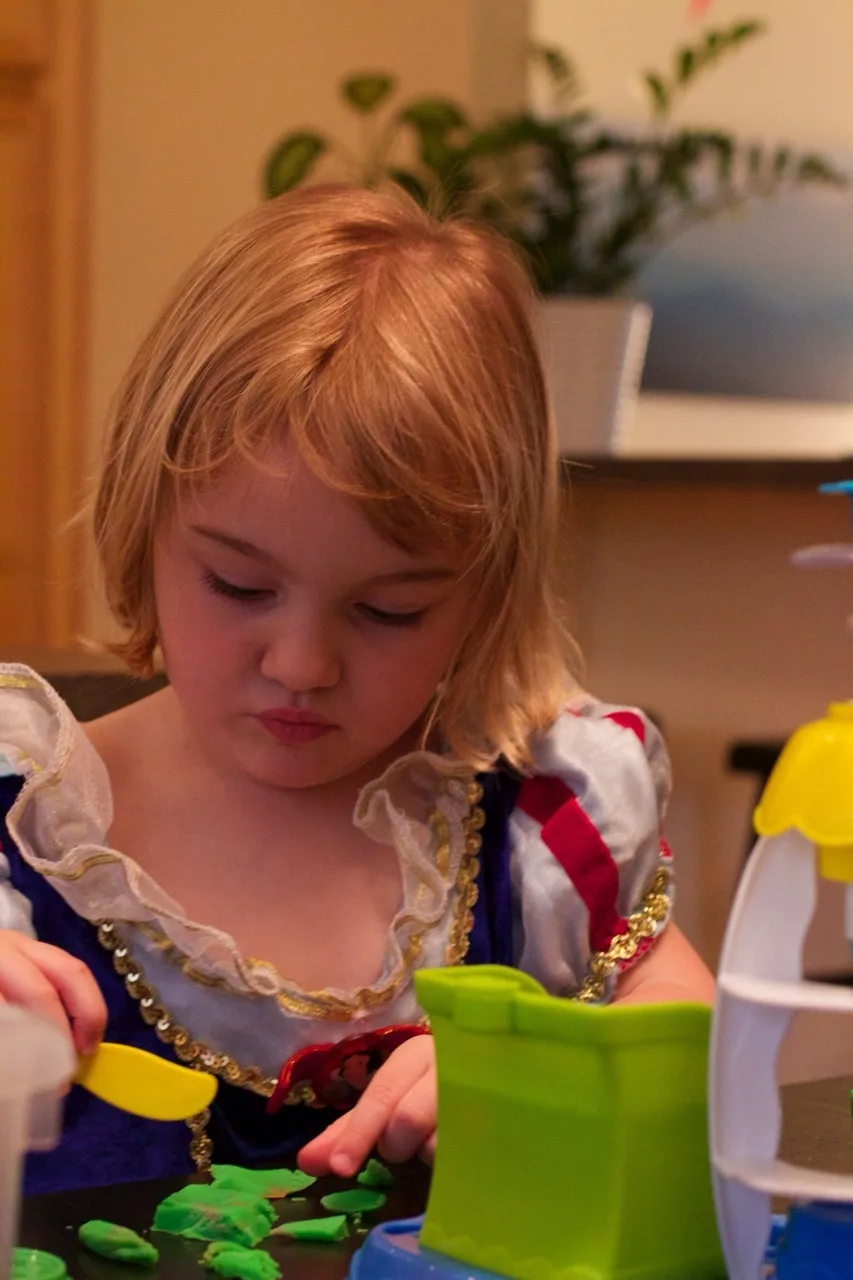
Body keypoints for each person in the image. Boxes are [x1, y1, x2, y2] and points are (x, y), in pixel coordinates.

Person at [0, 185, 714, 1195]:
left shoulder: (537, 816)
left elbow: (689, 1026)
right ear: (142, 521)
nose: (301, 663)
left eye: (389, 611)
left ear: (485, 591)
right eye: (239, 584)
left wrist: (550, 1067)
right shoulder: (18, 822)